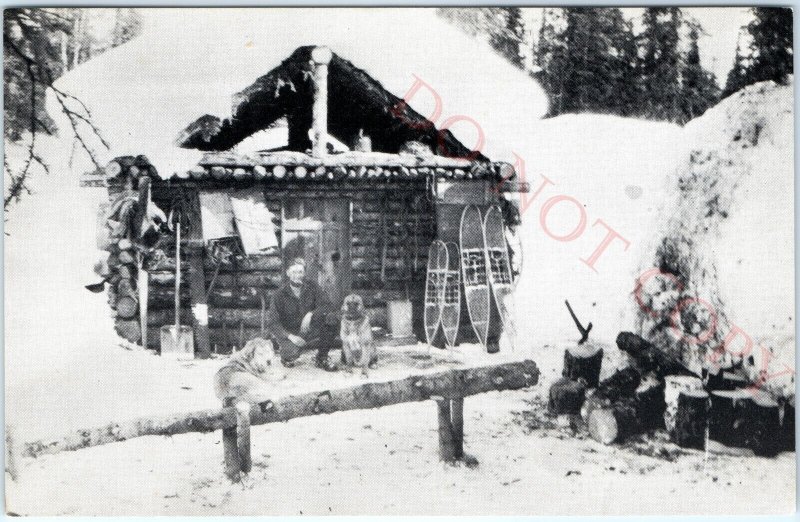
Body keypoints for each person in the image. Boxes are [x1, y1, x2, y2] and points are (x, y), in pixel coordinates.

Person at [265, 258, 339, 371]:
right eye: (294, 272)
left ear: (304, 273)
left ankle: (321, 357)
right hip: (292, 333)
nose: (297, 275)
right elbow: (273, 323)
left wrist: (311, 314)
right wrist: (291, 337)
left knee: (332, 319)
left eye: (300, 272)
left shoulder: (312, 286)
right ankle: (285, 355)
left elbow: (327, 305)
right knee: (290, 354)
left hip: (310, 329)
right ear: (288, 273)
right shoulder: (279, 295)